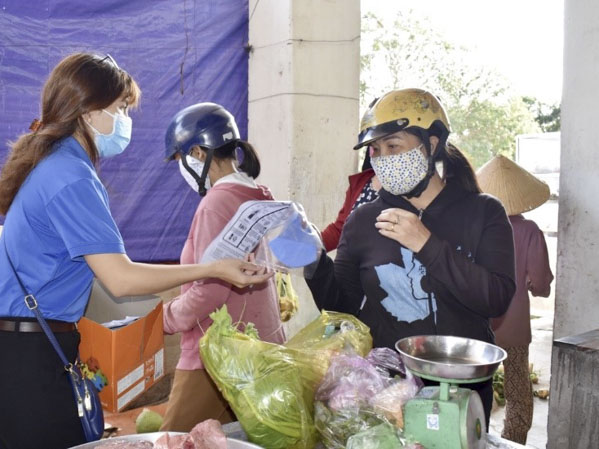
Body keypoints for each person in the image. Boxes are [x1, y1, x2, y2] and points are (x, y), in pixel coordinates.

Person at [0, 53, 270, 449]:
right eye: (121, 108)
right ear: (89, 112)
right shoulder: (71, 176)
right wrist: (211, 269)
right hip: (32, 354)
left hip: (26, 345)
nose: (126, 119)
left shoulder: (52, 164)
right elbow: (120, 278)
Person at [306, 88, 516, 426]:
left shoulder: (484, 212)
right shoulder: (364, 220)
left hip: (462, 390)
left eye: (394, 146)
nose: (383, 158)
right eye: (376, 150)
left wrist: (427, 243)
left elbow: (496, 299)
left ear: (431, 144)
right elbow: (343, 309)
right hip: (387, 389)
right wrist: (313, 261)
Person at [160, 102, 286, 432]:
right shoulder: (257, 192)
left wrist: (164, 318)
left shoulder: (215, 203)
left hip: (215, 353)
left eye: (179, 159)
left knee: (174, 440)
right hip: (259, 347)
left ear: (198, 153)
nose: (180, 168)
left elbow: (210, 290)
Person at [477, 154, 554, 444]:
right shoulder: (529, 231)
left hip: (479, 321)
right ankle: (514, 438)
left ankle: (475, 434)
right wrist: (533, 285)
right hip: (515, 323)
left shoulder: (478, 227)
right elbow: (541, 284)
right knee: (518, 383)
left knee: (476, 383)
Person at [321, 151, 381, 251]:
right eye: (376, 147)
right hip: (350, 265)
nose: (383, 153)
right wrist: (310, 242)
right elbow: (341, 230)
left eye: (392, 146)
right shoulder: (362, 182)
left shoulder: (413, 192)